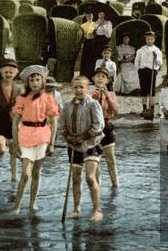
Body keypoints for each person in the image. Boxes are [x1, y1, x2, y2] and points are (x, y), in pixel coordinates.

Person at [11, 64, 60, 214]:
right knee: (25, 174)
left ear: (42, 81)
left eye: (37, 79)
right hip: (25, 135)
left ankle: (32, 204)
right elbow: (15, 121)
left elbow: (54, 120)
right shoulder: (22, 98)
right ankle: (17, 206)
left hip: (42, 135)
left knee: (37, 172)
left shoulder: (48, 98)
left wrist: (52, 142)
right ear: (27, 82)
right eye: (31, 80)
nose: (34, 83)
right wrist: (15, 142)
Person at [60, 75, 106, 222]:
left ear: (87, 88)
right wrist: (68, 137)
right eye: (76, 87)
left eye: (82, 87)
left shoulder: (93, 104)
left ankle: (97, 210)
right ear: (72, 88)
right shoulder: (67, 105)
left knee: (90, 178)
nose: (79, 90)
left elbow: (99, 125)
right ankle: (76, 208)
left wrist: (83, 137)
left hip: (91, 144)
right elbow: (62, 126)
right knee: (75, 178)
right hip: (73, 145)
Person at [91, 66, 120, 187]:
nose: (100, 78)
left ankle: (115, 185)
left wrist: (106, 95)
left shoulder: (112, 94)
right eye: (98, 76)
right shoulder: (89, 94)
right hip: (93, 129)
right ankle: (97, 188)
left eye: (103, 77)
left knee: (111, 160)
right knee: (95, 161)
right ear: (93, 78)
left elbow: (116, 110)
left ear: (107, 80)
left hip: (107, 127)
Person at [136, 31, 162, 115]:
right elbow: (137, 61)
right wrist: (138, 69)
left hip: (152, 70)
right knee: (143, 90)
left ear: (154, 40)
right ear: (145, 39)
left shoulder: (156, 50)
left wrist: (156, 58)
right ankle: (144, 108)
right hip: (142, 71)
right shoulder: (141, 50)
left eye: (151, 39)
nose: (149, 40)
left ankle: (151, 108)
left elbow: (160, 63)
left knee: (152, 90)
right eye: (148, 39)